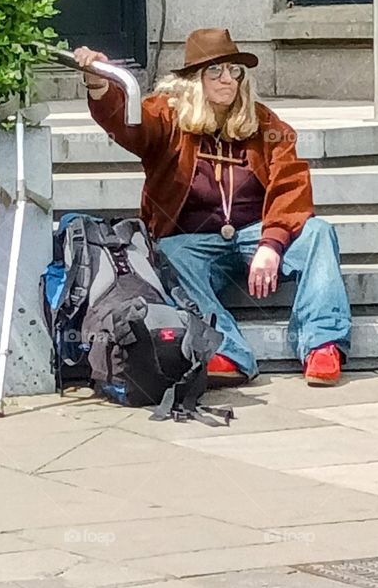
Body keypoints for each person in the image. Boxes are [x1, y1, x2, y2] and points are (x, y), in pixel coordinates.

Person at [74, 28, 352, 386]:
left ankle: (322, 343)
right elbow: (130, 126)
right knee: (170, 253)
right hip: (195, 240)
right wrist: (99, 86)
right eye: (216, 71)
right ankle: (225, 350)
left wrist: (272, 242)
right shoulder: (168, 116)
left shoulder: (265, 123)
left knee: (318, 233)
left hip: (256, 234)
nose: (228, 79)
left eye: (235, 71)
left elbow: (291, 184)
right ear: (194, 80)